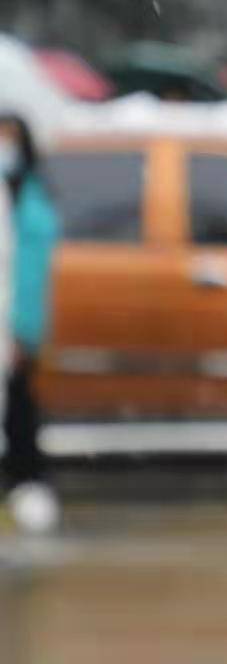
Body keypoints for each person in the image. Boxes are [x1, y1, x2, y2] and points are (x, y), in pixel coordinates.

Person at [1, 112, 60, 535]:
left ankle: (27, 485)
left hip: (21, 317)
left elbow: (31, 266)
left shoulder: (32, 191)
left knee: (21, 406)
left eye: (11, 138)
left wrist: (25, 326)